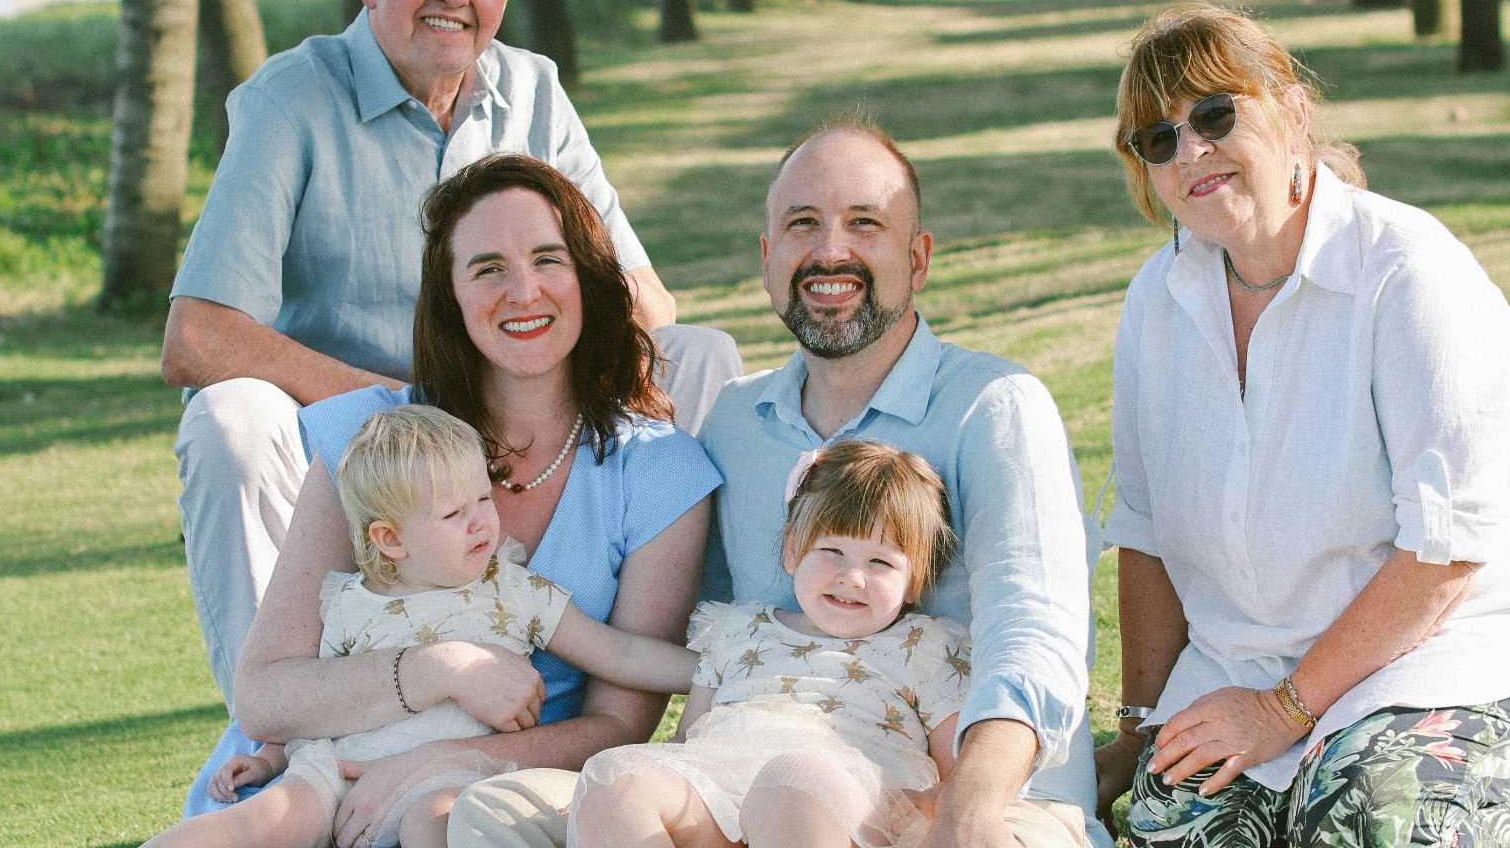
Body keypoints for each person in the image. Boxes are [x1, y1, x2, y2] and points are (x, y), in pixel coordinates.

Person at [160, 0, 740, 726]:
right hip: (362, 431)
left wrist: (557, 367)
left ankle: (729, 678)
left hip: (523, 397)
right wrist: (418, 413)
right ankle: (275, 723)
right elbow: (197, 338)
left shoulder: (532, 88)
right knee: (228, 421)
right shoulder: (289, 99)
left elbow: (642, 298)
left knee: (701, 353)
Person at [1092, 3, 1510, 845]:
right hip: (1247, 669)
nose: (1190, 149)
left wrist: (1284, 711)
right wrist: (1139, 733)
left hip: (1447, 655)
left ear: (1292, 112)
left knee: (1363, 820)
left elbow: (1447, 553)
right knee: (1174, 829)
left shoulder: (1407, 270)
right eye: (1158, 138)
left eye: (1216, 114)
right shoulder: (1156, 301)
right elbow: (1146, 533)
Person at [539, 118, 1103, 848]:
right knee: (494, 812)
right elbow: (704, 630)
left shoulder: (993, 405)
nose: (829, 250)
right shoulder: (738, 419)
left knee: (800, 791)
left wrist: (967, 810)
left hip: (965, 799)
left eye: (864, 224)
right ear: (769, 259)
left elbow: (1035, 636)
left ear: (918, 257)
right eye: (803, 224)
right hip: (745, 795)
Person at [228, 153, 723, 848]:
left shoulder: (660, 471)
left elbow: (620, 724)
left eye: (549, 260)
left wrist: (446, 761)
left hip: (488, 795)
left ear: (588, 279)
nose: (523, 291)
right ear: (450, 297)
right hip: (311, 774)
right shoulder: (374, 439)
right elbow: (264, 694)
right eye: (488, 267)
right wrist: (438, 670)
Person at [145, 405, 699, 848]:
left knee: (437, 822)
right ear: (391, 539)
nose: (482, 518)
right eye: (454, 514)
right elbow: (316, 706)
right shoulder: (350, 602)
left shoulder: (511, 592)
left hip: (443, 775)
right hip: (332, 770)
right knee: (269, 819)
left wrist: (714, 665)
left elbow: (621, 655)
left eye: (484, 496)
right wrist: (267, 758)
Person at [568, 439, 969, 848]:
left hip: (837, 812)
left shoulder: (923, 646)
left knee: (792, 782)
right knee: (618, 778)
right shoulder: (739, 627)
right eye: (832, 550)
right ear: (793, 550)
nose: (851, 577)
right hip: (720, 802)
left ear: (915, 578)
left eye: (879, 562)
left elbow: (959, 779)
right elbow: (685, 741)